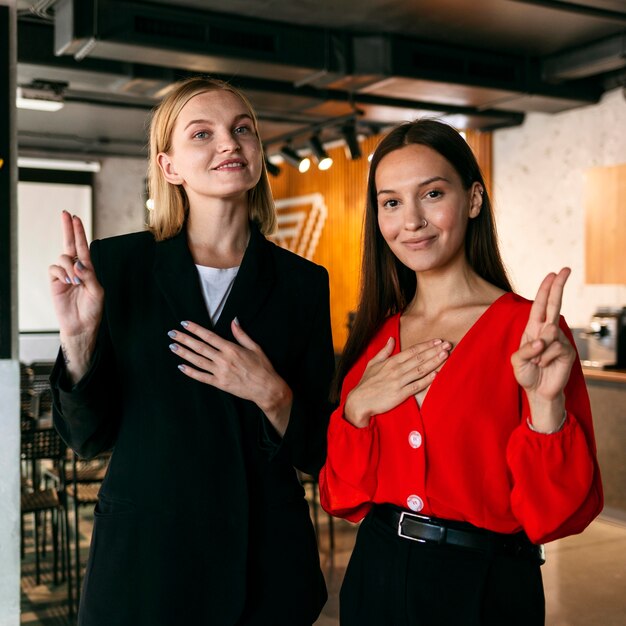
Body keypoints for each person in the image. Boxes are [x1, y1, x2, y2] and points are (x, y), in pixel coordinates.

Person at [48, 76, 335, 626]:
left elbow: (317, 450)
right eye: (202, 133)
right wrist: (79, 341)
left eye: (242, 129)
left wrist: (271, 393)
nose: (229, 143)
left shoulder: (304, 283)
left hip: (263, 567)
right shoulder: (115, 267)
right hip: (147, 565)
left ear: (256, 152)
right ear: (169, 165)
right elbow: (87, 439)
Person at [319, 119, 603, 626]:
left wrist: (546, 408)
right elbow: (340, 496)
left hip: (487, 586)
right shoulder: (375, 339)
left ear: (473, 200)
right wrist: (356, 408)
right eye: (391, 202)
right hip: (378, 575)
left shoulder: (530, 331)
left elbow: (557, 515)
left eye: (431, 194)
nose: (411, 221)